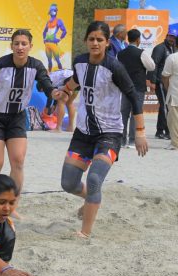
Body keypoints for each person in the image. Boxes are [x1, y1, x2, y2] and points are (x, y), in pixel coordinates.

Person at [59, 21, 148, 238]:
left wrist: (140, 131)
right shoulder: (79, 61)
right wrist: (63, 91)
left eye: (100, 39)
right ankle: (92, 198)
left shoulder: (114, 67)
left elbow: (134, 96)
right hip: (83, 133)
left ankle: (85, 232)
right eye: (91, 39)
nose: (95, 43)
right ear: (85, 41)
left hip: (109, 133)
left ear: (108, 43)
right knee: (68, 182)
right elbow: (74, 82)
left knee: (94, 179)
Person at [0, 29, 63, 210]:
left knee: (18, 161)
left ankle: (11, 205)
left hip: (17, 117)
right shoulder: (0, 65)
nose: (20, 47)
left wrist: (53, 93)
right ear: (11, 46)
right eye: (17, 43)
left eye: (24, 44)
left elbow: (46, 84)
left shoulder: (36, 66)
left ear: (30, 46)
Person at [117, 29, 155, 148]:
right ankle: (132, 141)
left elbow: (117, 68)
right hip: (138, 87)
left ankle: (122, 140)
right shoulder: (142, 53)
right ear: (138, 39)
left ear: (128, 39)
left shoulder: (120, 53)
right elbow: (152, 66)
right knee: (136, 113)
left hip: (124, 87)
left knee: (123, 113)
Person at [149, 28, 177, 140]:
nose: (171, 39)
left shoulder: (173, 48)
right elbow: (153, 64)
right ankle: (167, 131)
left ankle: (160, 131)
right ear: (166, 36)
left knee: (165, 106)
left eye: (173, 37)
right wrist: (152, 81)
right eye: (170, 36)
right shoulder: (160, 48)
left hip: (170, 82)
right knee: (165, 106)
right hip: (160, 81)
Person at [42, 3, 67, 72]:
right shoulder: (48, 22)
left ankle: (61, 73)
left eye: (54, 10)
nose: (52, 12)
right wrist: (44, 39)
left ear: (56, 11)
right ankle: (49, 75)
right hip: (47, 44)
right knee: (49, 61)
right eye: (51, 11)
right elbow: (44, 32)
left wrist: (59, 39)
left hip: (53, 43)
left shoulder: (58, 21)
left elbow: (64, 31)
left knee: (57, 60)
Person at [162, 48, 178, 150]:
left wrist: (168, 88)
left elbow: (165, 76)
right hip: (174, 93)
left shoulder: (172, 57)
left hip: (175, 93)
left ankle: (175, 144)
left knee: (173, 121)